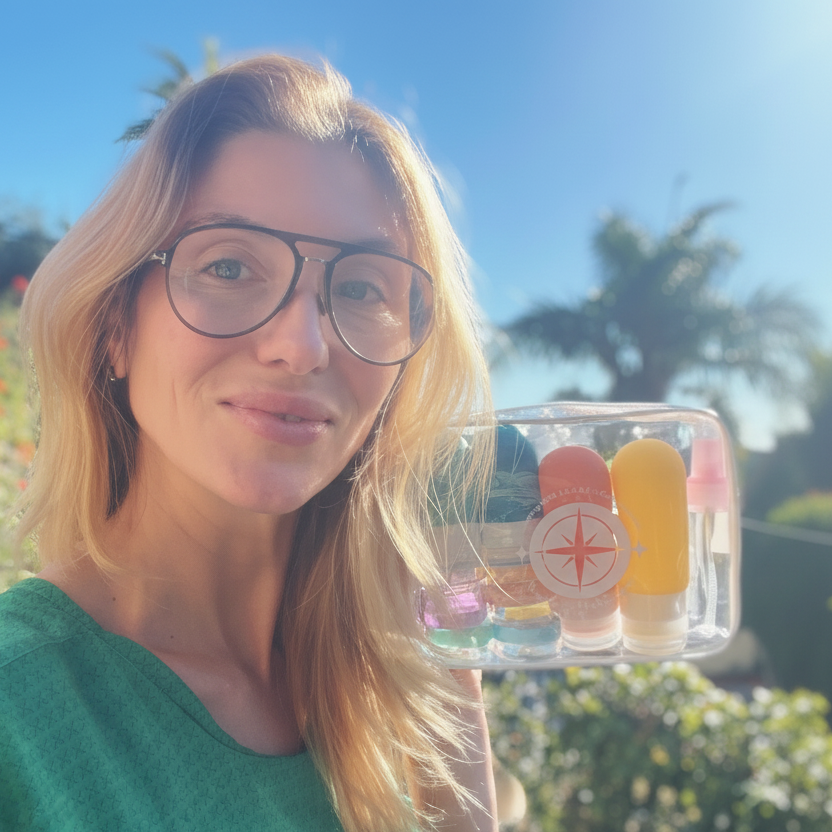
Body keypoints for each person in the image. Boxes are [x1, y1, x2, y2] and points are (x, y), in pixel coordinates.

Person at [0, 54, 497, 831]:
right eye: (228, 265)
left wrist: (453, 680)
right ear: (114, 332)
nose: (301, 346)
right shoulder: (19, 717)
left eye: (364, 287)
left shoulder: (396, 686)